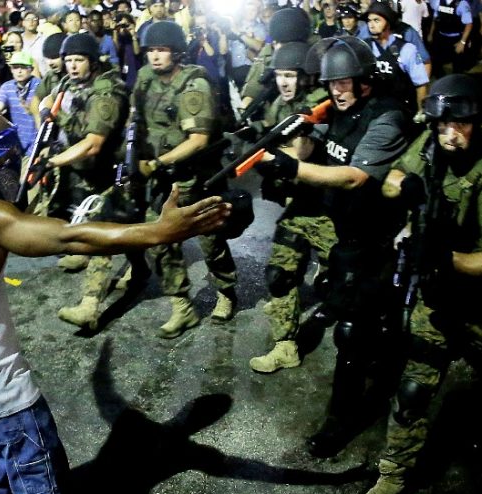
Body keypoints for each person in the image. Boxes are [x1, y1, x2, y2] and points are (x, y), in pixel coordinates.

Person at [0, 111, 230, 494]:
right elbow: (70, 236)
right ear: (4, 160)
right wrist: (158, 233)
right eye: (15, 162)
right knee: (40, 471)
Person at [339, 74, 482, 494]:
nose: (450, 132)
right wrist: (407, 189)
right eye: (443, 122)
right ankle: (392, 478)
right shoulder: (430, 146)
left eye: (460, 124)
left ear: (477, 122)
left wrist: (440, 256)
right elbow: (393, 176)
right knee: (411, 391)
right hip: (439, 300)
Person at [261, 35, 411, 457]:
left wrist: (292, 166)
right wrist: (302, 133)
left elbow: (353, 177)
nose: (337, 91)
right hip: (343, 228)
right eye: (332, 84)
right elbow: (314, 147)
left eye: (345, 83)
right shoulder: (337, 110)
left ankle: (340, 422)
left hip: (378, 239)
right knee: (354, 319)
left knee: (353, 334)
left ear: (364, 81)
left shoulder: (386, 118)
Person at [135, 21, 239, 337]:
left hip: (196, 179)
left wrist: (156, 162)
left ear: (177, 53)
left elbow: (198, 139)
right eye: (151, 50)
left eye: (162, 50)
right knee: (159, 242)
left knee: (211, 244)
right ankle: (182, 307)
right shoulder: (146, 80)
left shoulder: (194, 86)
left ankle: (226, 290)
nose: (155, 57)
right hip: (163, 181)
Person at [249, 42, 338, 374]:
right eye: (280, 75)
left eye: (291, 76)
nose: (285, 82)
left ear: (305, 77)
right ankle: (285, 345)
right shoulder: (276, 104)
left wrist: (263, 148)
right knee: (279, 274)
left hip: (332, 210)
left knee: (346, 286)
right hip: (301, 209)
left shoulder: (317, 105)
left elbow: (297, 151)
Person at [36, 33, 132, 329]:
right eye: (69, 61)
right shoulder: (69, 81)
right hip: (85, 167)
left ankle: (90, 306)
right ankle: (131, 270)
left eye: (79, 61)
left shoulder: (106, 91)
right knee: (97, 224)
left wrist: (51, 162)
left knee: (102, 231)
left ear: (92, 61)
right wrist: (45, 111)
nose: (73, 67)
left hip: (111, 170)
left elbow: (93, 143)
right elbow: (50, 100)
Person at [364, 1, 429, 114]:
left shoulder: (407, 49)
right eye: (369, 20)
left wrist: (421, 112)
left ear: (388, 23)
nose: (371, 25)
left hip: (400, 109)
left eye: (376, 20)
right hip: (373, 107)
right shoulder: (365, 47)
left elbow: (421, 84)